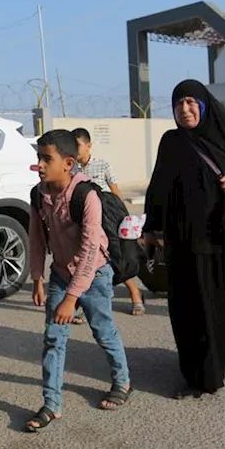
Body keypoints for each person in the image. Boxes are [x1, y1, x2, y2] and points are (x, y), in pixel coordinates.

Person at [142, 80, 225, 398]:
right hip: (187, 245)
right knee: (193, 310)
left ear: (204, 105)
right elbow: (158, 187)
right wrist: (151, 229)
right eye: (178, 104)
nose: (184, 110)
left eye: (190, 102)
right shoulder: (172, 142)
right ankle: (201, 375)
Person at [24, 129, 132, 432]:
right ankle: (51, 403)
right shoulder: (38, 194)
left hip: (94, 274)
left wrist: (71, 298)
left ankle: (122, 381)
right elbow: (35, 238)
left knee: (103, 330)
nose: (40, 165)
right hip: (60, 272)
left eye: (47, 159)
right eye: (38, 158)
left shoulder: (87, 196)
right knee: (53, 339)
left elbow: (88, 251)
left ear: (69, 163)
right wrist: (37, 278)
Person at [73, 127, 146, 316]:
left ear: (89, 146)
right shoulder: (71, 168)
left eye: (78, 145)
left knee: (117, 256)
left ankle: (135, 293)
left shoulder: (102, 165)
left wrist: (127, 219)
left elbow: (115, 191)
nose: (75, 149)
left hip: (108, 218)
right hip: (84, 219)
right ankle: (84, 304)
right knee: (87, 260)